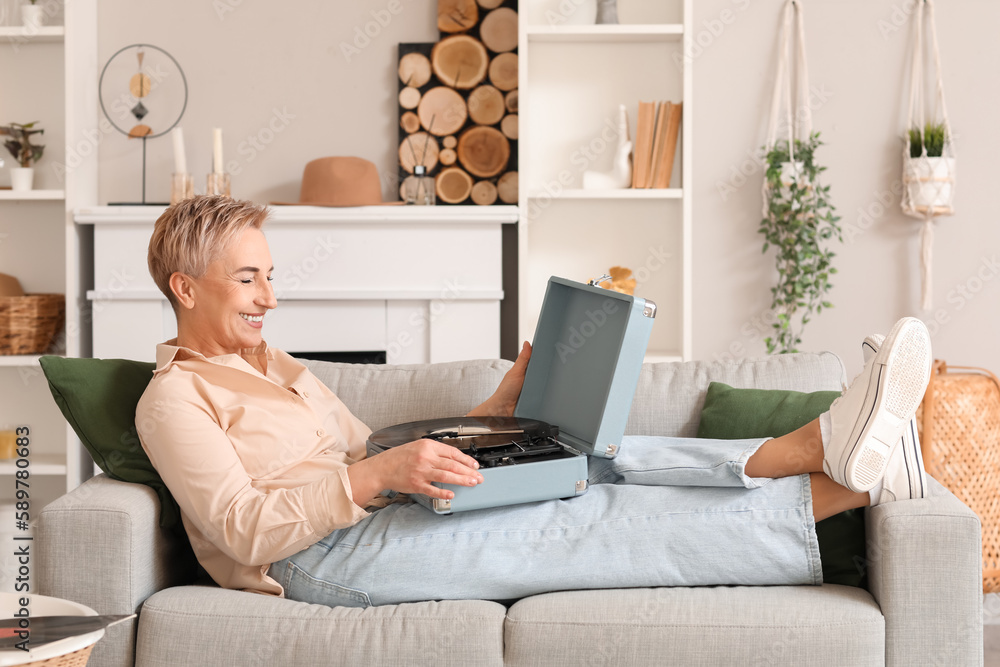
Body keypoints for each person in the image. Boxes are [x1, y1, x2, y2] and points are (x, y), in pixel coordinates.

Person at [136, 195, 933, 608]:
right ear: (185, 286)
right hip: (321, 559)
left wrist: (499, 408)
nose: (269, 296)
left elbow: (364, 445)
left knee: (585, 458)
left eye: (269, 275)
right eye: (249, 278)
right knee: (576, 515)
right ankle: (858, 476)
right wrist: (374, 478)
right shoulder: (173, 400)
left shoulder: (273, 363)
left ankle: (818, 444)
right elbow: (240, 527)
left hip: (375, 513)